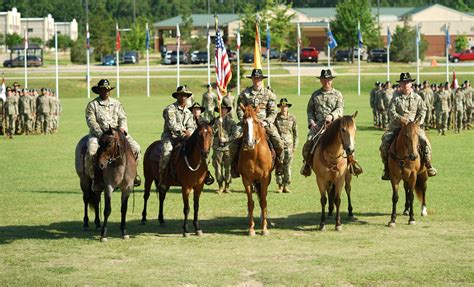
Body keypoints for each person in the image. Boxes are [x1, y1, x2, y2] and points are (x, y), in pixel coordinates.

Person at [300, 69, 362, 177]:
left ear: (331, 80)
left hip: (335, 125)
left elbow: (340, 109)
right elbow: (310, 111)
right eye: (324, 79)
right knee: (309, 141)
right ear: (321, 81)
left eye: (328, 79)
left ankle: (352, 163)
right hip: (318, 125)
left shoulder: (338, 94)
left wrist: (332, 116)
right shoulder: (315, 95)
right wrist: (312, 123)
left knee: (347, 141)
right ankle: (307, 164)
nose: (326, 82)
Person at [85, 79, 141, 191]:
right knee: (91, 151)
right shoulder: (92, 105)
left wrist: (123, 128)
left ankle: (133, 174)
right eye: (103, 89)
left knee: (136, 148)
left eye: (108, 89)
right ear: (98, 91)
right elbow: (91, 122)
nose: (106, 91)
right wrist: (103, 135)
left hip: (118, 134)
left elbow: (123, 117)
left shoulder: (116, 103)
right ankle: (95, 178)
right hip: (99, 135)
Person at [380, 72, 437, 180]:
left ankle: (428, 165)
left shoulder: (417, 97)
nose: (405, 84)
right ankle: (387, 168)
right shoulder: (395, 97)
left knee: (425, 142)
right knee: (384, 143)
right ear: (400, 84)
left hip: (413, 127)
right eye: (403, 82)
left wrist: (416, 123)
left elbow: (423, 110)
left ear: (411, 84)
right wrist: (401, 119)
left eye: (407, 82)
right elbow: (391, 112)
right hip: (397, 126)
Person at [231, 68, 284, 177]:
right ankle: (234, 166)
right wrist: (244, 120)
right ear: (252, 79)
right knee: (234, 140)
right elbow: (239, 109)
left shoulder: (269, 94)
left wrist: (266, 121)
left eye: (259, 78)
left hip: (263, 122)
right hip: (247, 122)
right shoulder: (244, 94)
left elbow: (273, 111)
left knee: (278, 141)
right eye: (255, 78)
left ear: (262, 79)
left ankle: (279, 163)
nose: (257, 80)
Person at [158, 85, 196, 189]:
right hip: (170, 136)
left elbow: (191, 126)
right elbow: (172, 125)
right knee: (167, 151)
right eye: (181, 95)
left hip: (185, 137)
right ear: (177, 96)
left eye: (185, 95)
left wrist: (190, 132)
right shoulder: (170, 109)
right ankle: (162, 177)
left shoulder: (189, 112)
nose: (183, 97)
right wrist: (185, 132)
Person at [211, 97, 240, 193]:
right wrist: (217, 125)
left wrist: (226, 139)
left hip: (228, 148)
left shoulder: (231, 122)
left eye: (224, 109)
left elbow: (235, 134)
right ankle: (220, 185)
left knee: (228, 167)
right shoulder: (214, 121)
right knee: (217, 167)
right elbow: (210, 133)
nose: (222, 111)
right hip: (217, 148)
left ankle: (227, 186)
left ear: (227, 111)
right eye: (221, 109)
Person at [274, 98, 298, 193]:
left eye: (286, 106)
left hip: (289, 146)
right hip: (278, 146)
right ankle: (280, 186)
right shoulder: (276, 118)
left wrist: (295, 146)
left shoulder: (292, 118)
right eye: (282, 106)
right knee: (279, 166)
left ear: (288, 107)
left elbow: (296, 133)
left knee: (288, 167)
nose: (284, 108)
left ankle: (286, 185)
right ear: (280, 107)